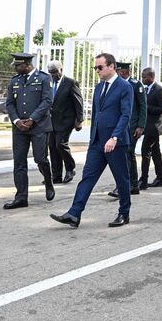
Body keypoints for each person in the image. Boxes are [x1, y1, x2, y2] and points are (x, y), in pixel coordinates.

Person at [51, 53, 133, 229]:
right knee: (87, 177)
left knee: (121, 179)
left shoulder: (124, 87)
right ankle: (74, 213)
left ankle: (124, 213)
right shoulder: (98, 87)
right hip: (97, 143)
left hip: (115, 143)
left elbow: (126, 115)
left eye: (100, 67)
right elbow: (97, 114)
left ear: (112, 66)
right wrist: (92, 138)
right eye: (95, 68)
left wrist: (115, 137)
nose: (97, 70)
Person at [4, 52, 54, 209]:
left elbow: (47, 101)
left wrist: (32, 119)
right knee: (19, 162)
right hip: (19, 128)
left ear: (27, 65)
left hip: (39, 125)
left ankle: (48, 180)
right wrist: (17, 121)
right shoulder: (15, 81)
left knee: (40, 159)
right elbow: (10, 103)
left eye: (18, 65)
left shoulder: (44, 78)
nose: (16, 68)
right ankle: (21, 197)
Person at [108, 62, 145, 199]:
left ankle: (126, 186)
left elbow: (142, 106)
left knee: (127, 154)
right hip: (121, 126)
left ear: (123, 72)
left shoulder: (136, 85)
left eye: (117, 71)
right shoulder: (116, 85)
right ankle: (133, 185)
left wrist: (141, 125)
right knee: (126, 155)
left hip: (133, 126)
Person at [46, 61, 83, 184]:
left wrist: (79, 120)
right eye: (51, 73)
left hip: (66, 120)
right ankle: (56, 176)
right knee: (52, 146)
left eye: (55, 72)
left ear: (61, 69)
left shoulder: (70, 82)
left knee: (60, 145)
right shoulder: (48, 82)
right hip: (51, 121)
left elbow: (78, 102)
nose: (53, 75)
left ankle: (70, 169)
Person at [139, 67, 162, 189]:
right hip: (148, 126)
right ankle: (161, 178)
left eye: (144, 77)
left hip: (154, 127)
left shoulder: (159, 90)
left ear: (151, 76)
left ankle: (143, 180)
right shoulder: (146, 90)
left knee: (145, 151)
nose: (143, 79)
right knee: (155, 153)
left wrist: (147, 107)